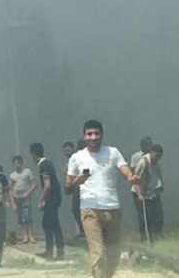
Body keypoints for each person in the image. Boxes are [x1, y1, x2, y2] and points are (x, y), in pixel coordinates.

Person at [66, 119, 139, 278]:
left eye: (96, 133)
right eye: (89, 134)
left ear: (102, 135)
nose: (93, 137)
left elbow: (125, 170)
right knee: (98, 252)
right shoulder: (77, 158)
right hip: (90, 209)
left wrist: (131, 177)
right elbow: (68, 187)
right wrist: (77, 181)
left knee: (113, 253)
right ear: (84, 136)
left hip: (112, 208)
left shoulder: (113, 152)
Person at [30, 142, 64, 261]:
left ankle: (54, 252)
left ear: (33, 154)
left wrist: (41, 200)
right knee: (53, 224)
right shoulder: (47, 163)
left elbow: (47, 185)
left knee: (48, 224)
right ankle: (55, 250)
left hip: (52, 197)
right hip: (55, 196)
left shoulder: (43, 165)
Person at [133, 144, 164, 243]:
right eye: (156, 156)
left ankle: (155, 238)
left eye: (160, 157)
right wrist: (139, 195)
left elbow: (157, 176)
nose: (158, 158)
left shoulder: (156, 163)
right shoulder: (143, 162)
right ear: (151, 153)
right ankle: (145, 240)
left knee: (157, 216)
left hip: (151, 194)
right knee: (145, 219)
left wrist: (160, 186)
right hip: (140, 193)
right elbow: (136, 179)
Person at [130, 136, 153, 242]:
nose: (149, 147)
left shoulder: (153, 156)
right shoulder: (136, 157)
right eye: (147, 144)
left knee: (152, 215)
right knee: (142, 215)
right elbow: (134, 173)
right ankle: (144, 237)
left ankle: (153, 236)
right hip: (138, 190)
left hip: (150, 190)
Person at [9, 155, 36, 243]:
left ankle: (31, 236)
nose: (17, 165)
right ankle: (25, 236)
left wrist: (27, 192)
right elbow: (10, 188)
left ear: (21, 163)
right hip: (17, 198)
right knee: (20, 218)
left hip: (26, 197)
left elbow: (34, 184)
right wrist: (12, 201)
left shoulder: (27, 172)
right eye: (15, 163)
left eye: (18, 163)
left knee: (27, 216)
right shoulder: (12, 175)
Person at [62, 141, 85, 238]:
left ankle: (86, 231)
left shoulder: (77, 159)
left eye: (68, 150)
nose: (66, 152)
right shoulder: (70, 161)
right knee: (76, 211)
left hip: (82, 189)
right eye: (65, 151)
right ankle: (83, 231)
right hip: (75, 190)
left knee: (79, 210)